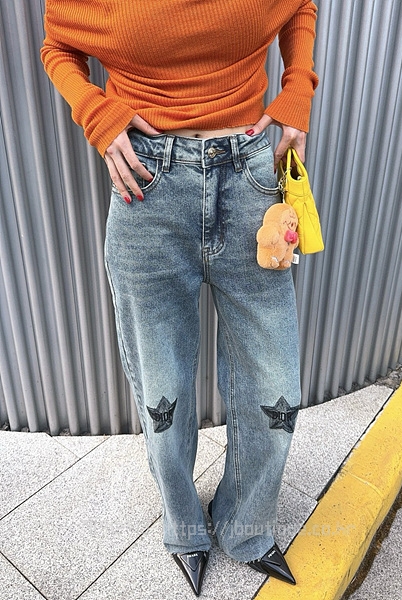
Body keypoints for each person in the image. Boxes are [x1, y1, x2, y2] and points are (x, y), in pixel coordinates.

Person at [41, 1, 318, 595]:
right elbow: (57, 45)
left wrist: (298, 90)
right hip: (149, 188)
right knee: (161, 390)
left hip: (250, 178)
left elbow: (300, 6)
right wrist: (95, 111)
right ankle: (185, 528)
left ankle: (246, 529)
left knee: (276, 387)